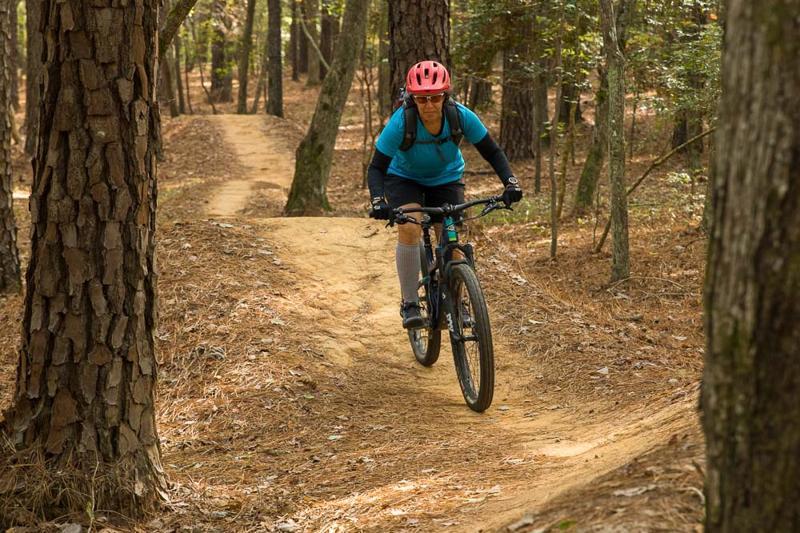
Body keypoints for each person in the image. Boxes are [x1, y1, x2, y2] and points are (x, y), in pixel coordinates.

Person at [367, 60, 523, 329]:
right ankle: (410, 302)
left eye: (435, 97)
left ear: (445, 96)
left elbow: (492, 152)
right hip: (404, 178)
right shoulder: (400, 122)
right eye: (422, 98)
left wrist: (511, 183)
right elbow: (377, 167)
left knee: (450, 237)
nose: (429, 104)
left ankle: (459, 299)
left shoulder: (461, 116)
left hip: (446, 178)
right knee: (410, 226)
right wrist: (379, 200)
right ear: (412, 98)